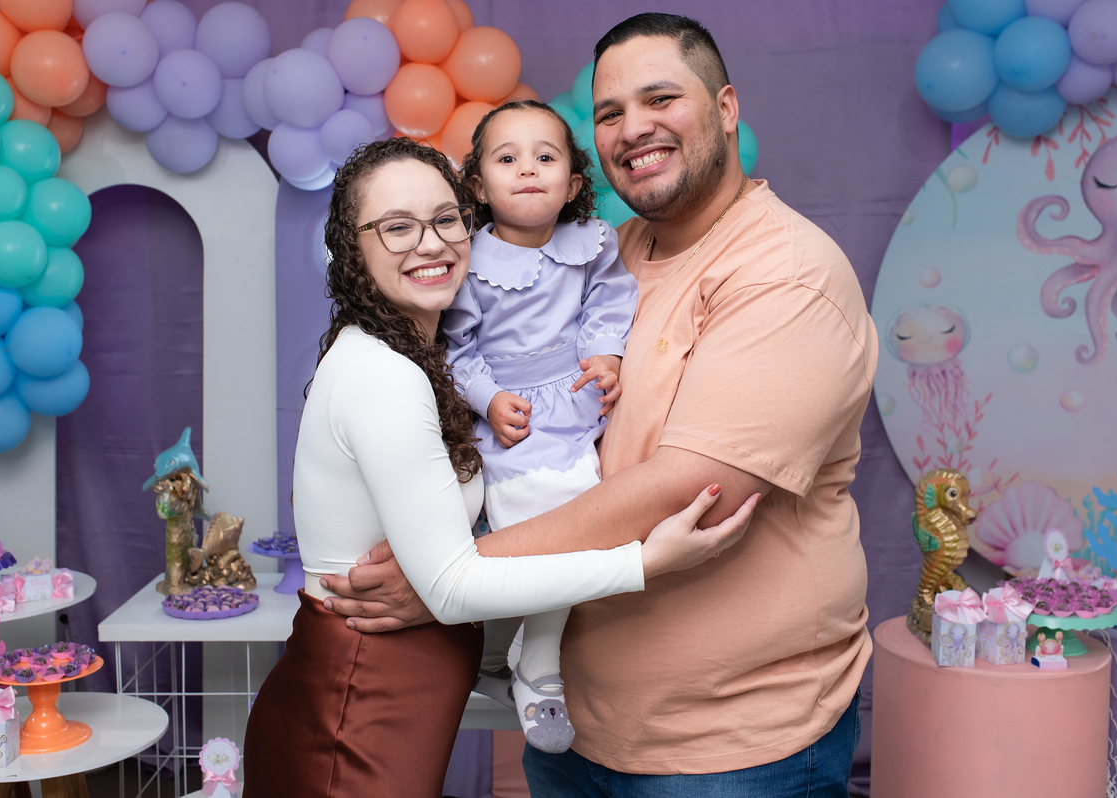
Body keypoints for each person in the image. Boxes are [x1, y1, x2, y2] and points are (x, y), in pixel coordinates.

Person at [325, 12, 879, 797]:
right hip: (574, 728)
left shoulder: (786, 275)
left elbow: (691, 488)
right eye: (610, 112)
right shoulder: (606, 257)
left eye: (661, 99)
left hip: (727, 749)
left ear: (726, 109)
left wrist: (450, 579)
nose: (633, 128)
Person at [242, 137, 759, 798]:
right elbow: (451, 589)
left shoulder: (417, 355)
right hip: (355, 713)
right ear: (351, 247)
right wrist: (644, 562)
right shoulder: (382, 374)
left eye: (445, 219)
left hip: (390, 705)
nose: (430, 244)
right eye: (397, 227)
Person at [444, 99, 638, 754]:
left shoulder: (592, 244)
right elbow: (455, 351)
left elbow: (609, 302)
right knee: (529, 528)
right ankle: (524, 662)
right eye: (508, 159)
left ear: (573, 183)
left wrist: (606, 355)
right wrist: (488, 399)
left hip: (574, 403)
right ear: (478, 186)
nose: (528, 169)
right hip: (512, 418)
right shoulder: (468, 261)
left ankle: (529, 662)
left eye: (545, 157)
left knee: (583, 523)